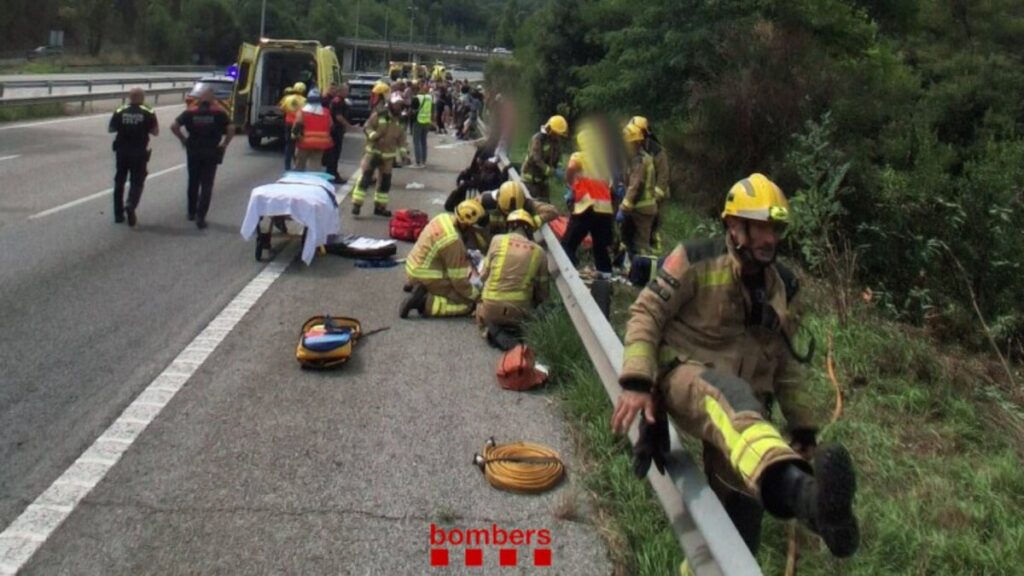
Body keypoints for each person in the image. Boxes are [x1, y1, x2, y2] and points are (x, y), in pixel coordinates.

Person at [611, 173, 859, 562]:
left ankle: (812, 505)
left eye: (775, 229)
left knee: (739, 515)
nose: (770, 239)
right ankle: (808, 498)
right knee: (726, 393)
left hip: (746, 417)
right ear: (733, 225)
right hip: (687, 378)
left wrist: (803, 427)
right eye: (760, 227)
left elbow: (786, 364)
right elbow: (646, 312)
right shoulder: (694, 258)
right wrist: (639, 381)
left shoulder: (784, 287)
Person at [475, 209, 550, 350]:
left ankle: (489, 329)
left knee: (480, 308)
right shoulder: (539, 252)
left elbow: (484, 275)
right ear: (529, 230)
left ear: (509, 226)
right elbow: (543, 292)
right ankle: (517, 334)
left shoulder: (497, 240)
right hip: (519, 311)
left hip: (491, 307)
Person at [400, 199, 486, 319]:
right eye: (472, 227)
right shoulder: (453, 241)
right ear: (466, 224)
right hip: (426, 275)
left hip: (412, 265)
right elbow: (459, 282)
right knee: (465, 303)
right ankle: (423, 303)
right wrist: (478, 297)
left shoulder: (443, 218)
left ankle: (417, 285)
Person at [171, 87, 233, 229]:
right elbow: (231, 128)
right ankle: (201, 216)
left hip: (193, 150)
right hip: (211, 150)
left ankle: (191, 212)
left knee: (193, 180)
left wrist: (183, 139)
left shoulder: (191, 111)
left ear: (199, 98)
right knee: (207, 183)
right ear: (212, 98)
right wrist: (224, 144)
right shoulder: (218, 112)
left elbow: (174, 126)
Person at [561, 128, 615, 276]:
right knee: (600, 246)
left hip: (586, 207)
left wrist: (571, 184)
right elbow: (610, 184)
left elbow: (571, 169)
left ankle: (569, 271)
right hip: (604, 209)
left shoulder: (579, 157)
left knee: (568, 244)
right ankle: (605, 275)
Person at [351, 92, 410, 217]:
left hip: (388, 156)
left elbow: (402, 140)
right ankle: (357, 204)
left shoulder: (401, 120)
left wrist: (404, 154)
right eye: (396, 104)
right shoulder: (379, 115)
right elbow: (367, 127)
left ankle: (380, 207)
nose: (398, 107)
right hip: (373, 152)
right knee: (366, 178)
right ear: (391, 104)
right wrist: (374, 136)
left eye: (400, 104)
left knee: (385, 182)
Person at [108, 87, 158, 226]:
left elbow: (111, 129)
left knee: (119, 181)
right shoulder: (148, 111)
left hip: (122, 151)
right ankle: (130, 204)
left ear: (130, 97)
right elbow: (155, 132)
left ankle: (118, 215)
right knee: (137, 181)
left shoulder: (120, 110)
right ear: (142, 98)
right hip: (139, 152)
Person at [629, 115, 670, 252]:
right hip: (638, 195)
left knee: (652, 226)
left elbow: (663, 176)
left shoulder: (657, 151)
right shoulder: (633, 147)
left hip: (654, 196)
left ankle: (654, 251)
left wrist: (655, 198)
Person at [619, 123, 659, 258]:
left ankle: (644, 273)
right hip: (641, 208)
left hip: (642, 209)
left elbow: (636, 185)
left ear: (635, 143)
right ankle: (633, 269)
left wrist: (624, 206)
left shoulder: (639, 160)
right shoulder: (640, 158)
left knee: (641, 245)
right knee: (630, 241)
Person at [478, 180, 558, 237]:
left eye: (514, 211)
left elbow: (553, 211)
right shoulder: (488, 201)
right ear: (498, 201)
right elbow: (472, 206)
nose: (510, 215)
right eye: (507, 211)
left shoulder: (527, 204)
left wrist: (532, 223)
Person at [520, 115, 568, 201]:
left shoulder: (556, 142)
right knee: (533, 206)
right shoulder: (538, 139)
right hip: (530, 180)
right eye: (556, 134)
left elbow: (557, 158)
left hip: (543, 181)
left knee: (546, 206)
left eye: (559, 135)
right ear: (550, 130)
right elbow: (537, 160)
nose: (558, 137)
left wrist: (559, 168)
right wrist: (553, 172)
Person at [292, 88, 333, 172]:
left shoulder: (302, 112)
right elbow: (331, 125)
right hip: (320, 144)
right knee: (315, 167)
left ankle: (299, 182)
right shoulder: (326, 112)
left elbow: (296, 126)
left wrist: (294, 136)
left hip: (304, 143)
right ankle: (313, 183)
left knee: (299, 166)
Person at [323, 83, 354, 183]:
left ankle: (333, 173)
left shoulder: (340, 101)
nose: (348, 92)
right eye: (346, 90)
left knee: (335, 153)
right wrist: (349, 126)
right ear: (341, 91)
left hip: (337, 130)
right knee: (334, 153)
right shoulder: (338, 101)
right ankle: (331, 174)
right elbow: (338, 116)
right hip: (335, 130)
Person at [279, 82, 307, 171]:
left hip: (288, 123)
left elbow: (281, 109)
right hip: (299, 124)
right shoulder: (304, 100)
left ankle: (287, 167)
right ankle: (297, 165)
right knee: (299, 145)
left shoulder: (286, 98)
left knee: (289, 145)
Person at [412, 81, 434, 168]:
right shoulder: (430, 97)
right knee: (424, 141)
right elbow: (432, 109)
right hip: (427, 121)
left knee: (417, 141)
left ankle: (418, 162)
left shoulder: (417, 98)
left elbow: (413, 110)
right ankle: (424, 161)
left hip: (418, 121)